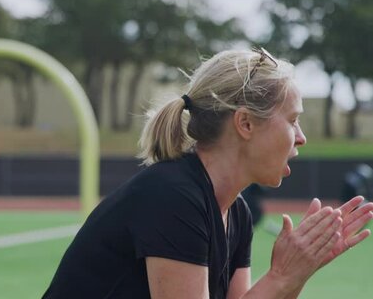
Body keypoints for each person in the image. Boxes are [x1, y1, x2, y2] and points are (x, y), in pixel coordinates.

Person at [42, 47, 373, 299]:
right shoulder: (172, 197)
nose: (301, 137)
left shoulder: (237, 212)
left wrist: (296, 273)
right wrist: (283, 275)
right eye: (291, 120)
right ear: (245, 123)